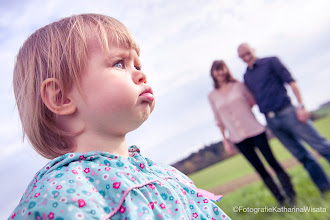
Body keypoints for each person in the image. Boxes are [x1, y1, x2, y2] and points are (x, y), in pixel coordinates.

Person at [9, 14, 230, 220]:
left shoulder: (165, 174)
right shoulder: (60, 197)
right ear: (61, 98)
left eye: (138, 64)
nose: (141, 74)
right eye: (119, 63)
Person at [237, 43, 330, 197]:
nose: (246, 57)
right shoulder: (246, 76)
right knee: (302, 156)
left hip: (289, 112)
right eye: (242, 56)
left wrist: (301, 106)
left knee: (321, 146)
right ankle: (325, 189)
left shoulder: (271, 61)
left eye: (248, 53)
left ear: (254, 50)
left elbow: (291, 82)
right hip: (272, 121)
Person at [208, 60, 295, 205]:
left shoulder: (239, 86)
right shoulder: (212, 96)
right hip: (237, 138)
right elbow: (218, 119)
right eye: (217, 70)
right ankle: (280, 200)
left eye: (222, 69)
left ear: (227, 70)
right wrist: (225, 140)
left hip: (255, 130)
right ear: (213, 73)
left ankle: (291, 194)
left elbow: (252, 101)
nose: (220, 72)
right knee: (260, 169)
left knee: (272, 162)